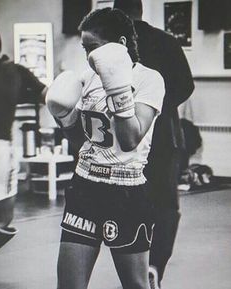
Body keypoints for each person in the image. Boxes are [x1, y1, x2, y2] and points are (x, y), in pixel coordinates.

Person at [46, 8, 165, 289]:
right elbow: (81, 143)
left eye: (94, 48)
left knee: (135, 285)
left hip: (126, 192)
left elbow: (129, 139)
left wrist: (118, 88)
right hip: (85, 189)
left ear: (120, 45)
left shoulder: (150, 79)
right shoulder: (87, 79)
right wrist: (64, 117)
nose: (89, 57)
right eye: (85, 48)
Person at [113, 1, 195, 288]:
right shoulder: (166, 41)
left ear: (115, 11)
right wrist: (157, 106)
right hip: (163, 136)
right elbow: (186, 85)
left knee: (127, 202)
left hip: (125, 137)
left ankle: (135, 267)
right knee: (165, 206)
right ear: (141, 10)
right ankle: (155, 265)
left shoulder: (112, 46)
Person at [0, 28, 47, 252]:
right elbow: (50, 95)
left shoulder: (15, 71)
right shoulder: (16, 71)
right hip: (1, 149)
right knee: (3, 218)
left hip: (0, 149)